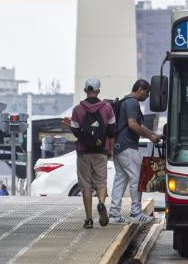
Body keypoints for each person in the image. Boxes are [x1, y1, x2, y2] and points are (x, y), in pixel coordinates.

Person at [64, 78, 115, 229]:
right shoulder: (107, 108)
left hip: (83, 152)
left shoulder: (77, 109)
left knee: (85, 185)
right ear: (98, 91)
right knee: (101, 182)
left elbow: (75, 131)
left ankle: (88, 219)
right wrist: (109, 150)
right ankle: (100, 203)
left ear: (86, 90)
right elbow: (112, 131)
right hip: (101, 152)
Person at [109, 79, 161, 224]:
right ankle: (136, 213)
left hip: (119, 147)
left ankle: (114, 214)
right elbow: (133, 125)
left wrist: (152, 135)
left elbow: (135, 125)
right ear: (140, 89)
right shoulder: (132, 103)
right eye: (147, 92)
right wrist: (151, 136)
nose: (148, 96)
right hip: (128, 147)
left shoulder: (124, 101)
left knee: (120, 179)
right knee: (136, 180)